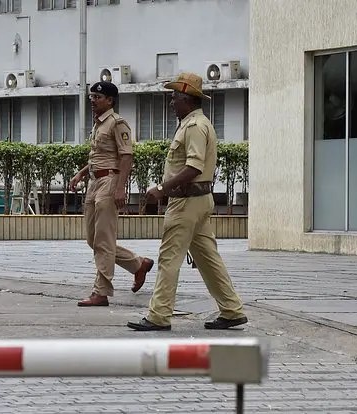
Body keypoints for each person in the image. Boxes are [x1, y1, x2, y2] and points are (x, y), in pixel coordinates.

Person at [127, 72, 248, 331]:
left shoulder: (193, 126)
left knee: (169, 258)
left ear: (188, 99)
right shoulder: (198, 123)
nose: (171, 103)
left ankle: (158, 316)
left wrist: (162, 188)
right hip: (199, 201)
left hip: (186, 203)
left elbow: (194, 166)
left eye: (175, 98)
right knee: (208, 259)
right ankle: (232, 310)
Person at [70, 81, 154, 307]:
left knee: (104, 241)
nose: (92, 101)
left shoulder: (118, 123)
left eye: (97, 97)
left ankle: (101, 292)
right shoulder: (98, 124)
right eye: (91, 97)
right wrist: (81, 174)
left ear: (110, 100)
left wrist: (120, 187)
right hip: (94, 182)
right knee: (93, 240)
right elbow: (99, 155)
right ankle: (138, 264)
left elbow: (126, 156)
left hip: (109, 182)